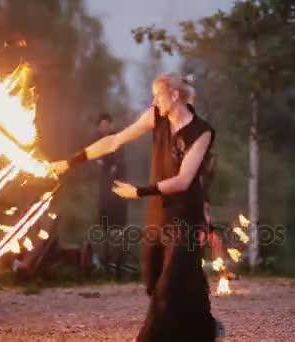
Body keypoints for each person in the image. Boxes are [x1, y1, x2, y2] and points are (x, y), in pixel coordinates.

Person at [50, 72, 221, 341]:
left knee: (169, 286)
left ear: (174, 95)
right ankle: (206, 330)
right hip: (158, 213)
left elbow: (183, 181)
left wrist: (138, 191)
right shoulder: (156, 116)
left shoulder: (202, 132)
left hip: (185, 215)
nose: (154, 101)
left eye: (158, 95)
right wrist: (70, 162)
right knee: (157, 281)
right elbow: (114, 140)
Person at [94, 112, 128, 279]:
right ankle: (106, 267)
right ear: (98, 127)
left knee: (119, 231)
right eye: (102, 125)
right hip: (104, 195)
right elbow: (98, 165)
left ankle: (119, 268)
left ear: (111, 125)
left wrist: (109, 165)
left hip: (118, 194)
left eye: (107, 124)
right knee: (105, 231)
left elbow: (117, 165)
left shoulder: (118, 142)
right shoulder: (96, 143)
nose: (105, 128)